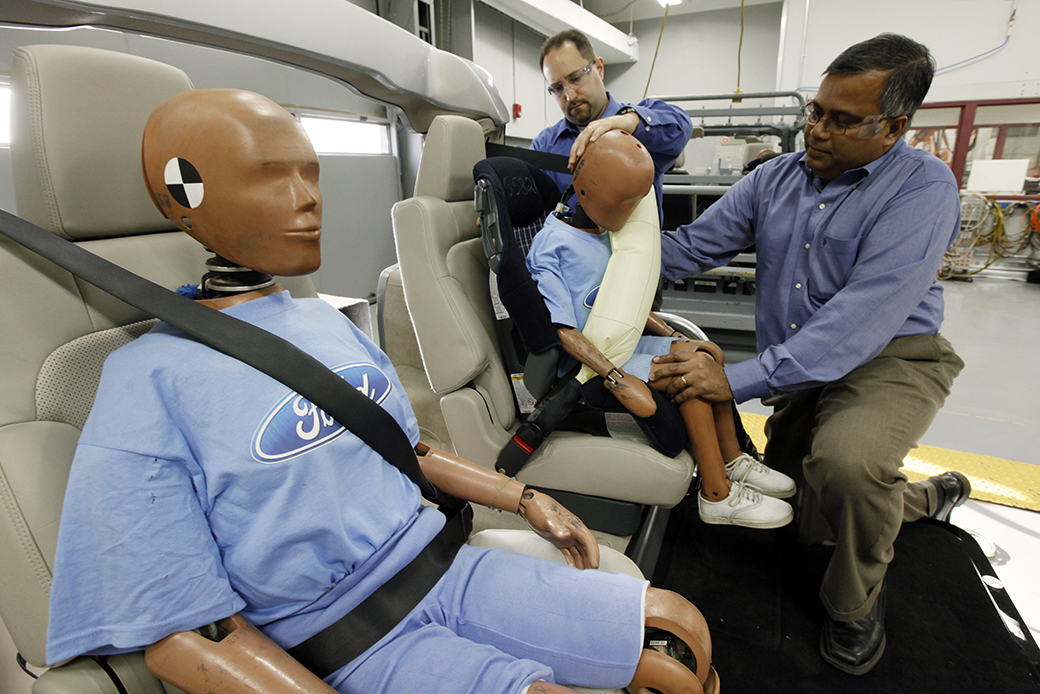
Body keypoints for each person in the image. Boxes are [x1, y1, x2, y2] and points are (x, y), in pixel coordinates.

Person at [44, 88, 719, 694]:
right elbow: (184, 633)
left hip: (443, 564)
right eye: (269, 176)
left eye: (309, 173)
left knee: (683, 634)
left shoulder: (320, 319)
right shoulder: (148, 379)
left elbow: (406, 445)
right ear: (182, 194)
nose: (308, 197)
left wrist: (526, 497)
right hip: (348, 634)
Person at [648, 34, 971, 675]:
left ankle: (854, 606)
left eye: (842, 120)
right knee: (803, 512)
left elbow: (858, 323)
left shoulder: (923, 190)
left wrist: (731, 381)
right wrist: (588, 248)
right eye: (815, 112)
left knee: (847, 467)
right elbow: (687, 249)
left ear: (894, 127)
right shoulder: (776, 178)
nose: (817, 131)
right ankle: (924, 501)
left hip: (892, 357)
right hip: (805, 362)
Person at [527, 129, 795, 529]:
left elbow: (622, 295)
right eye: (626, 202)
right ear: (587, 192)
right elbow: (561, 328)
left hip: (625, 342)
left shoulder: (605, 232)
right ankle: (716, 494)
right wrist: (614, 376)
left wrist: (666, 330)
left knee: (708, 354)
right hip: (593, 362)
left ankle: (732, 459)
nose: (634, 210)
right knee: (689, 377)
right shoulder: (553, 247)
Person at [532, 29, 693, 222]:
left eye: (575, 79)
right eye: (557, 88)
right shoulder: (545, 143)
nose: (570, 96)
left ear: (599, 68)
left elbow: (682, 126)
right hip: (567, 249)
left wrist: (630, 122)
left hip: (633, 249)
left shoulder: (636, 123)